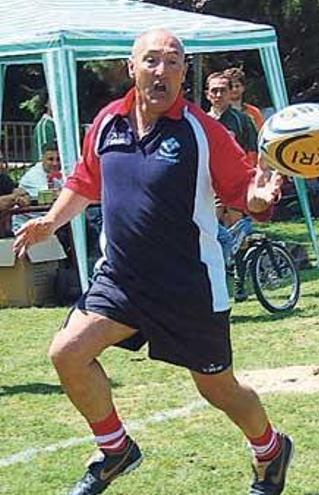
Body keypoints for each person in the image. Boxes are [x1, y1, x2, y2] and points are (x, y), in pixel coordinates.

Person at [13, 29, 292, 495]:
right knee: (68, 353)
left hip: (188, 287)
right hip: (120, 281)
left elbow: (245, 191)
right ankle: (115, 449)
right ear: (132, 67)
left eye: (173, 62)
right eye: (152, 61)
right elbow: (85, 182)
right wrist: (50, 220)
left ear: (185, 72)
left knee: (217, 389)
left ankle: (270, 448)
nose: (161, 71)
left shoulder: (203, 132)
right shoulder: (106, 122)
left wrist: (259, 198)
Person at [206, 71, 259, 166]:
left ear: (230, 93)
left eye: (223, 90)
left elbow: (254, 151)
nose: (218, 95)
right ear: (207, 95)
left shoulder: (243, 119)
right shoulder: (201, 122)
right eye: (214, 91)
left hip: (238, 175)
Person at [225, 66, 266, 131]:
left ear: (243, 87)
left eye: (237, 86)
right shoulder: (221, 113)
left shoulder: (254, 112)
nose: (234, 89)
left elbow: (261, 134)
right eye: (231, 86)